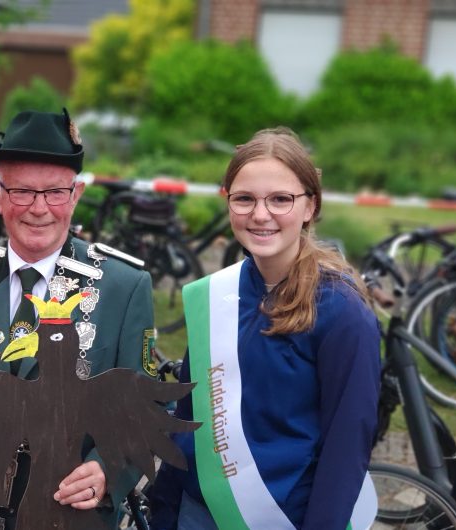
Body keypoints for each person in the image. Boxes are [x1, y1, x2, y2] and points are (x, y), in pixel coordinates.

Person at [0, 109, 157, 529]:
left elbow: (141, 405)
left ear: (77, 195)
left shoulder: (123, 286)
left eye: (54, 192)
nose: (39, 209)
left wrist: (107, 468)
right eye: (21, 192)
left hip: (71, 515)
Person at [149, 127, 381, 530]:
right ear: (229, 203)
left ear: (310, 206)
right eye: (245, 199)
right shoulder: (216, 296)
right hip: (196, 512)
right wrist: (165, 506)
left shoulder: (341, 311)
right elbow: (190, 417)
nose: (260, 214)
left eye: (281, 199)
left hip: (285, 517)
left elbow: (346, 447)